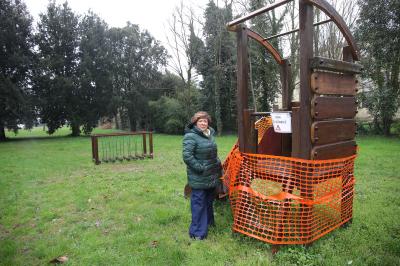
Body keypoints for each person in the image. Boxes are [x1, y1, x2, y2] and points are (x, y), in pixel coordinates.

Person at [182, 111, 222, 240]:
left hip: (211, 174)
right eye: (200, 121)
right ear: (195, 123)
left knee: (209, 201)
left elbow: (212, 153)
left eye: (205, 121)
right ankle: (197, 233)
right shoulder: (191, 136)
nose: (203, 123)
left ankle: (209, 224)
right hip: (199, 176)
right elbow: (187, 156)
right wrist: (200, 168)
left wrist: (217, 163)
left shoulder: (210, 134)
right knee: (198, 203)